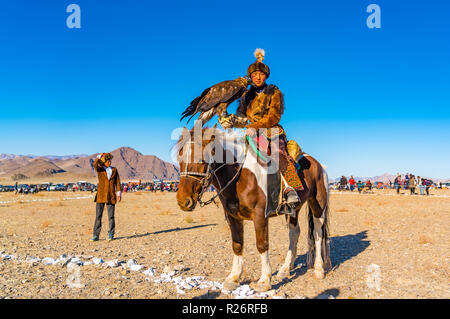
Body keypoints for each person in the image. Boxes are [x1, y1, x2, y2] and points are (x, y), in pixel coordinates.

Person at [218, 49, 303, 216]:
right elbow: (242, 117)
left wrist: (255, 127)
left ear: (266, 76)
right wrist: (230, 120)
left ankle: (289, 189)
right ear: (250, 76)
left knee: (278, 154)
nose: (258, 77)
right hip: (251, 134)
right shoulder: (246, 96)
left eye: (261, 74)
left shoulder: (274, 92)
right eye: (254, 74)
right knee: (232, 156)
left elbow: (274, 116)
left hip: (271, 131)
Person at [91, 152, 122, 242]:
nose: (109, 162)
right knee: (98, 216)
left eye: (110, 160)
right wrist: (100, 156)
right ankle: (96, 235)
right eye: (107, 161)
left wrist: (118, 194)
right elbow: (95, 164)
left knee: (111, 216)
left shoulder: (114, 170)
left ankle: (111, 233)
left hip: (111, 196)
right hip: (101, 196)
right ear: (104, 162)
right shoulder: (100, 170)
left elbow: (118, 182)